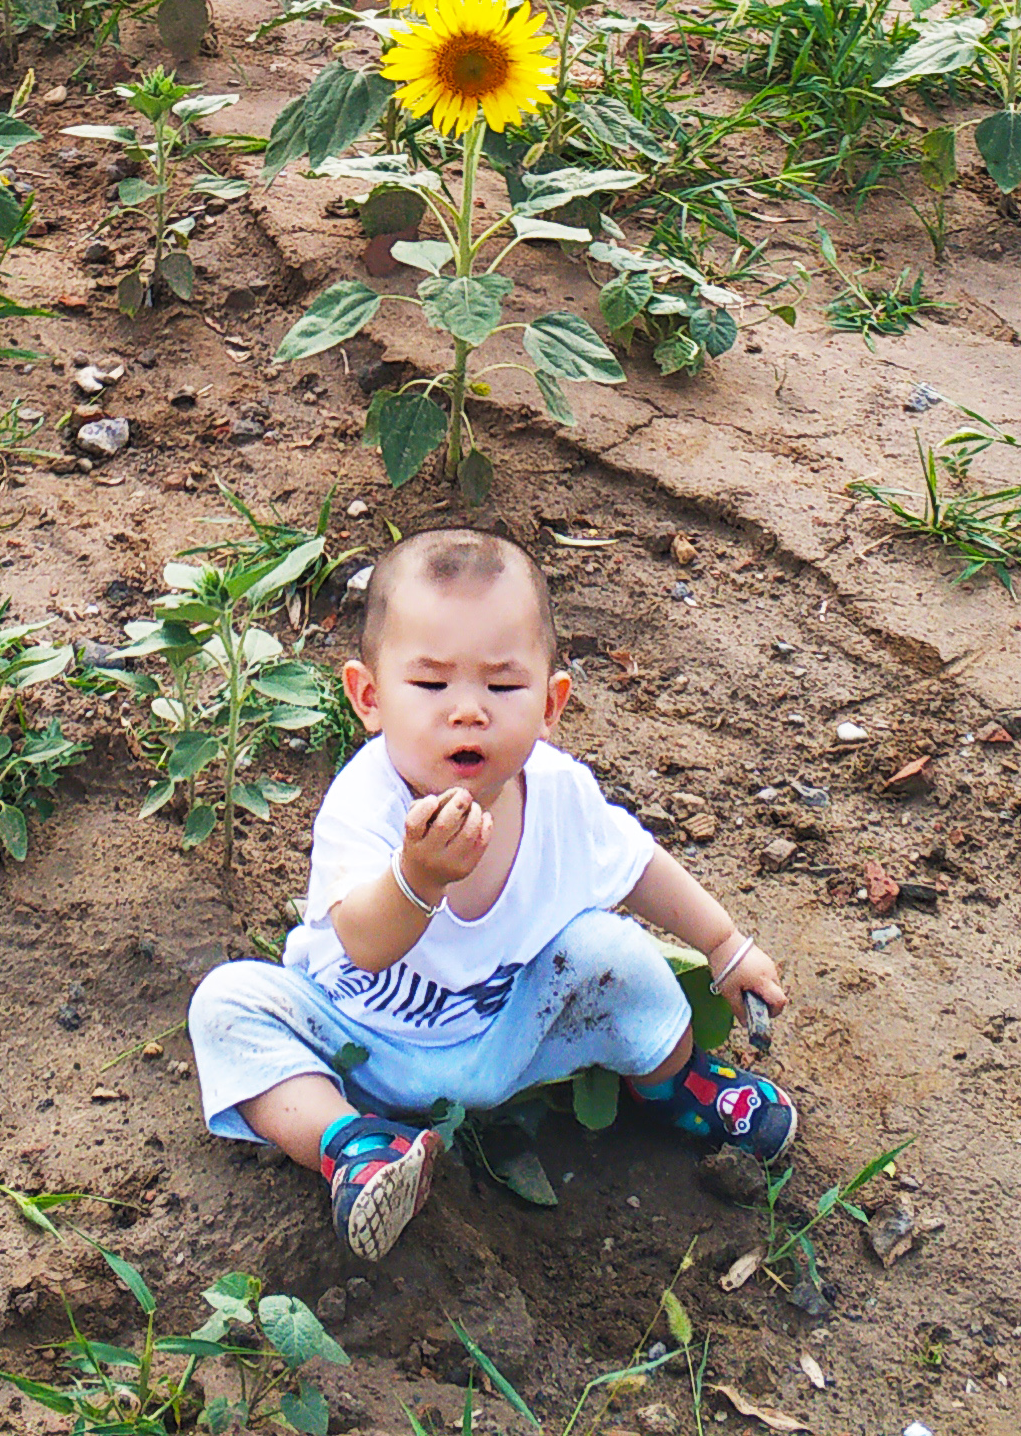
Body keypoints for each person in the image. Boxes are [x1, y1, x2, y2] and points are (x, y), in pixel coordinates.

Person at [187, 527, 796, 1260]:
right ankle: (351, 1143)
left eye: (503, 686)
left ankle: (673, 1083)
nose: (468, 710)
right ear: (369, 697)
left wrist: (725, 947)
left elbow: (636, 866)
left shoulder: (561, 793)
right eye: (432, 683)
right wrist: (419, 877)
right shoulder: (364, 805)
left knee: (614, 952)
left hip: (508, 1035)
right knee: (226, 1006)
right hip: (354, 1041)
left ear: (550, 704)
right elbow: (365, 945)